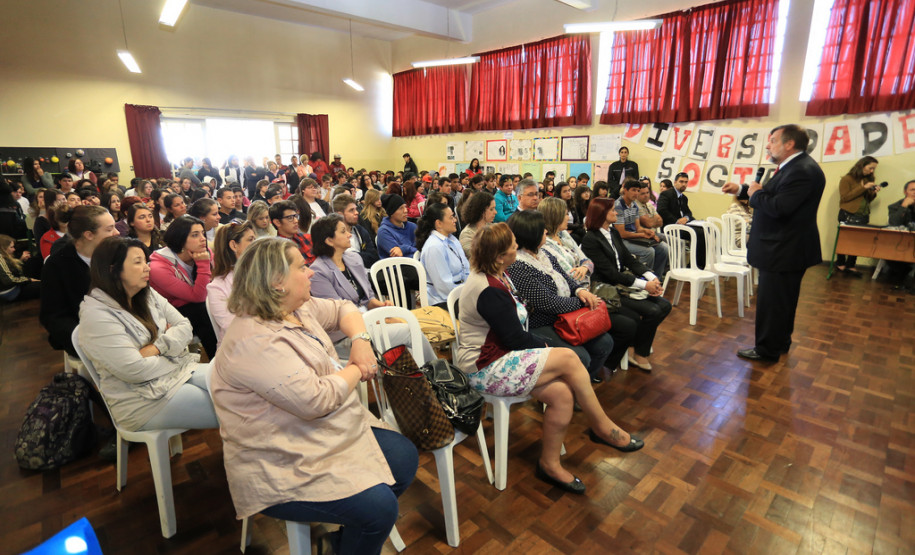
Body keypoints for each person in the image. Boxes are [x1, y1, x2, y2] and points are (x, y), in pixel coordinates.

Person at [211, 238, 418, 554]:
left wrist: (360, 340)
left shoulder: (295, 308)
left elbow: (343, 308)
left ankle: (350, 539)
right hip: (279, 455)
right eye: (301, 267)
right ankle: (356, 536)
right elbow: (316, 400)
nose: (309, 273)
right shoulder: (254, 341)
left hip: (313, 428)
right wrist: (357, 366)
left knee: (404, 459)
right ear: (277, 282)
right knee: (380, 509)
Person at [457, 223, 643, 494]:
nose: (516, 248)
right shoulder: (488, 289)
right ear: (498, 256)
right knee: (568, 358)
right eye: (512, 246)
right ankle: (602, 427)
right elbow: (517, 340)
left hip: (503, 355)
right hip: (484, 366)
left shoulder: (498, 273)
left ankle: (550, 464)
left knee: (562, 394)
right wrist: (547, 346)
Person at [78, 237, 217, 432]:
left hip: (177, 372)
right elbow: (135, 370)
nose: (147, 268)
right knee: (231, 408)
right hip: (141, 400)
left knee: (233, 386)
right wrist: (172, 350)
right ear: (112, 270)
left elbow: (185, 326)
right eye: (138, 262)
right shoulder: (96, 316)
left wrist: (158, 347)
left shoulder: (145, 293)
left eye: (145, 260)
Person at [722, 124, 826, 362]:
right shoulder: (795, 167)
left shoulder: (801, 171)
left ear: (789, 144)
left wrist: (755, 194)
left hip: (782, 249)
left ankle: (767, 350)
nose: (768, 145)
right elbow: (772, 194)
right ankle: (779, 343)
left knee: (773, 303)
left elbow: (779, 207)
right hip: (785, 248)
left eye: (772, 140)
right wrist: (742, 188)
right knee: (783, 302)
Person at [309, 215, 438, 363]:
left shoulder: (353, 259)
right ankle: (436, 372)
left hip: (367, 320)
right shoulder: (318, 272)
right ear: (329, 240)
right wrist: (378, 319)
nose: (349, 234)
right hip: (347, 335)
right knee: (409, 331)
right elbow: (338, 314)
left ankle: (419, 376)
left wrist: (380, 306)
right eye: (343, 231)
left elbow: (368, 298)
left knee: (408, 323)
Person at [506, 210, 614, 382]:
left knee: (605, 342)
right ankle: (572, 390)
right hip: (540, 322)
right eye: (542, 230)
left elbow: (566, 277)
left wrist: (581, 291)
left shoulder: (544, 254)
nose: (546, 232)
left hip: (565, 315)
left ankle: (583, 383)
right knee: (580, 356)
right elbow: (547, 303)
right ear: (531, 234)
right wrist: (581, 302)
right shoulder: (518, 265)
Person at [580, 198, 671, 372]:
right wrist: (645, 286)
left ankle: (636, 348)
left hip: (622, 285)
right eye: (612, 210)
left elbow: (628, 259)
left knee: (664, 305)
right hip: (608, 290)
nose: (616, 213)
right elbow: (610, 274)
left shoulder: (613, 232)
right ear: (601, 214)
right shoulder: (591, 239)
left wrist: (651, 277)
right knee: (652, 310)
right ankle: (638, 353)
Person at [40, 206, 119, 356]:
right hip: (86, 332)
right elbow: (54, 316)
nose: (117, 232)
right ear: (89, 234)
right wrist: (87, 340)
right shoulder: (57, 266)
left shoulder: (118, 253)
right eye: (109, 229)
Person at [149, 215, 218, 359]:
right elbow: (198, 296)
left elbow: (214, 284)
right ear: (180, 239)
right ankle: (218, 360)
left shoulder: (205, 252)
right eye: (195, 235)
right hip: (167, 316)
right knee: (203, 310)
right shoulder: (158, 267)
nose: (202, 238)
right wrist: (203, 264)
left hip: (197, 306)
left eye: (202, 233)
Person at [207, 221, 256, 347]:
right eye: (250, 240)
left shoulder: (262, 272)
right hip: (238, 347)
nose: (256, 245)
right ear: (234, 245)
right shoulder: (217, 287)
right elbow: (233, 328)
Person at [417, 204, 469, 308]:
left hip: (460, 292)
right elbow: (444, 287)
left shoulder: (452, 239)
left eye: (454, 216)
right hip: (443, 300)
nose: (455, 220)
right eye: (451, 217)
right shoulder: (434, 247)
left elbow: (466, 268)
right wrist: (466, 295)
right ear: (439, 223)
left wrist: (471, 288)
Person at [836, 156, 881, 275]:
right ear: (862, 165)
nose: (872, 171)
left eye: (873, 169)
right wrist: (862, 188)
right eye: (870, 168)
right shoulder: (847, 179)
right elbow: (845, 198)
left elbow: (866, 200)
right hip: (848, 214)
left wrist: (873, 193)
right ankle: (840, 263)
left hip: (863, 214)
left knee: (857, 241)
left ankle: (851, 265)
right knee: (844, 240)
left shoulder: (868, 179)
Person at [614, 179, 669, 277]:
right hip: (621, 240)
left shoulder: (634, 204)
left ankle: (656, 278)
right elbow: (622, 233)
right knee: (648, 252)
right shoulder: (618, 206)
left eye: (638, 191)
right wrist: (643, 235)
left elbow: (638, 227)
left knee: (663, 248)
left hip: (634, 237)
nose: (636, 193)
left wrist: (648, 232)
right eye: (633, 190)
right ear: (625, 190)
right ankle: (642, 280)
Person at [539, 197, 594, 286]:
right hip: (573, 291)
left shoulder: (563, 234)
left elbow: (587, 261)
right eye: (566, 214)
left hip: (584, 287)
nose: (568, 218)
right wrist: (585, 270)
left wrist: (584, 267)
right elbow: (570, 276)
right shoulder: (545, 242)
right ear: (555, 217)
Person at [657, 172, 705, 268]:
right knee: (699, 233)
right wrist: (677, 221)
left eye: (686, 182)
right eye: (681, 181)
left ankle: (698, 264)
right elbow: (662, 210)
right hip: (670, 227)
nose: (684, 184)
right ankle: (696, 266)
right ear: (675, 183)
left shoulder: (684, 198)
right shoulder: (666, 194)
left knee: (705, 231)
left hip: (682, 226)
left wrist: (686, 218)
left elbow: (688, 213)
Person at [333, 193, 379, 270]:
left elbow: (373, 257)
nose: (357, 212)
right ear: (340, 215)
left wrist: (351, 256)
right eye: (351, 210)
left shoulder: (360, 230)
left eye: (356, 209)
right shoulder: (332, 235)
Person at [269, 200, 314, 264]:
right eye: (290, 218)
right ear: (277, 222)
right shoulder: (277, 250)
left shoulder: (307, 237)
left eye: (296, 216)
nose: (296, 221)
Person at [376, 194, 417, 260]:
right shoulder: (384, 232)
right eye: (401, 208)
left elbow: (423, 248)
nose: (405, 211)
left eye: (405, 207)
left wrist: (403, 249)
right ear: (391, 213)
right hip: (397, 268)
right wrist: (415, 251)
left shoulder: (412, 227)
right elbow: (399, 257)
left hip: (416, 264)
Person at [0, 233, 40, 302]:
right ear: (3, 248)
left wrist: (21, 259)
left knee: (32, 262)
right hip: (10, 292)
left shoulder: (4, 257)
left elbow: (9, 269)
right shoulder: (0, 259)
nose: (14, 249)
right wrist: (29, 279)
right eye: (11, 247)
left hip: (13, 288)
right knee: (42, 286)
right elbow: (9, 280)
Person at [459, 192, 495, 257]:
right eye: (491, 209)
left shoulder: (493, 226)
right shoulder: (467, 234)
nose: (495, 212)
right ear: (481, 211)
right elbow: (477, 257)